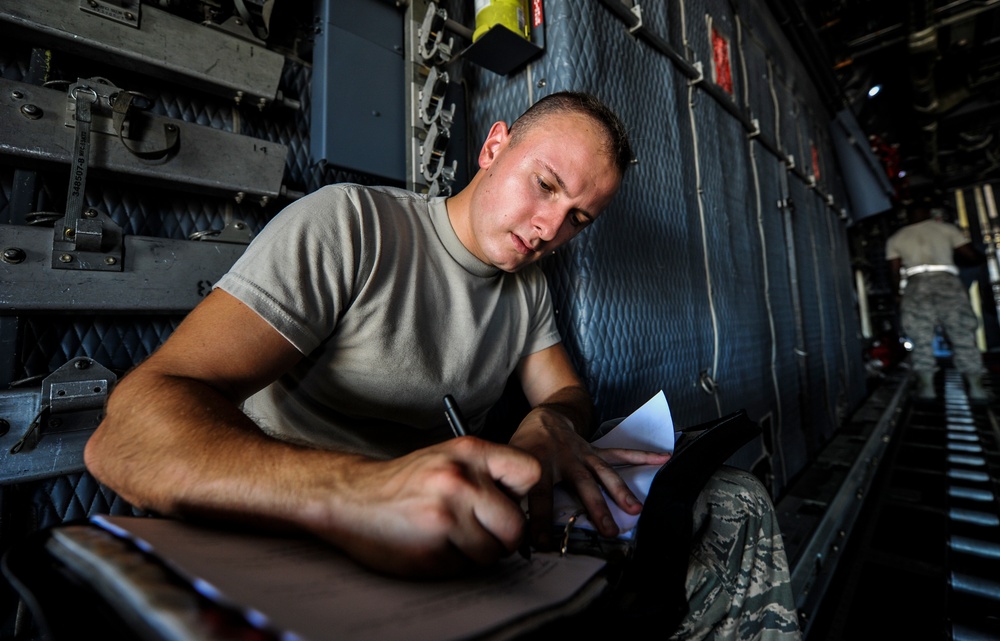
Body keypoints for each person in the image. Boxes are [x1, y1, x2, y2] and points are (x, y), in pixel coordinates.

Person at [84, 91, 801, 639]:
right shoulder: (352, 225)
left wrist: (551, 423)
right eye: (546, 185)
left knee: (729, 501)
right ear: (494, 148)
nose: (552, 228)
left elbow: (566, 391)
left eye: (579, 217)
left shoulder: (526, 286)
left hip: (430, 545)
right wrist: (359, 493)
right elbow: (127, 434)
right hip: (289, 528)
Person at [885, 200, 988, 402]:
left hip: (916, 285)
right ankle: (977, 388)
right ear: (928, 212)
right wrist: (981, 259)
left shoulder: (897, 238)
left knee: (920, 336)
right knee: (961, 332)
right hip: (946, 282)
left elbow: (894, 272)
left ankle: (927, 388)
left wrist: (897, 293)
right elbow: (968, 254)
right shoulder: (945, 229)